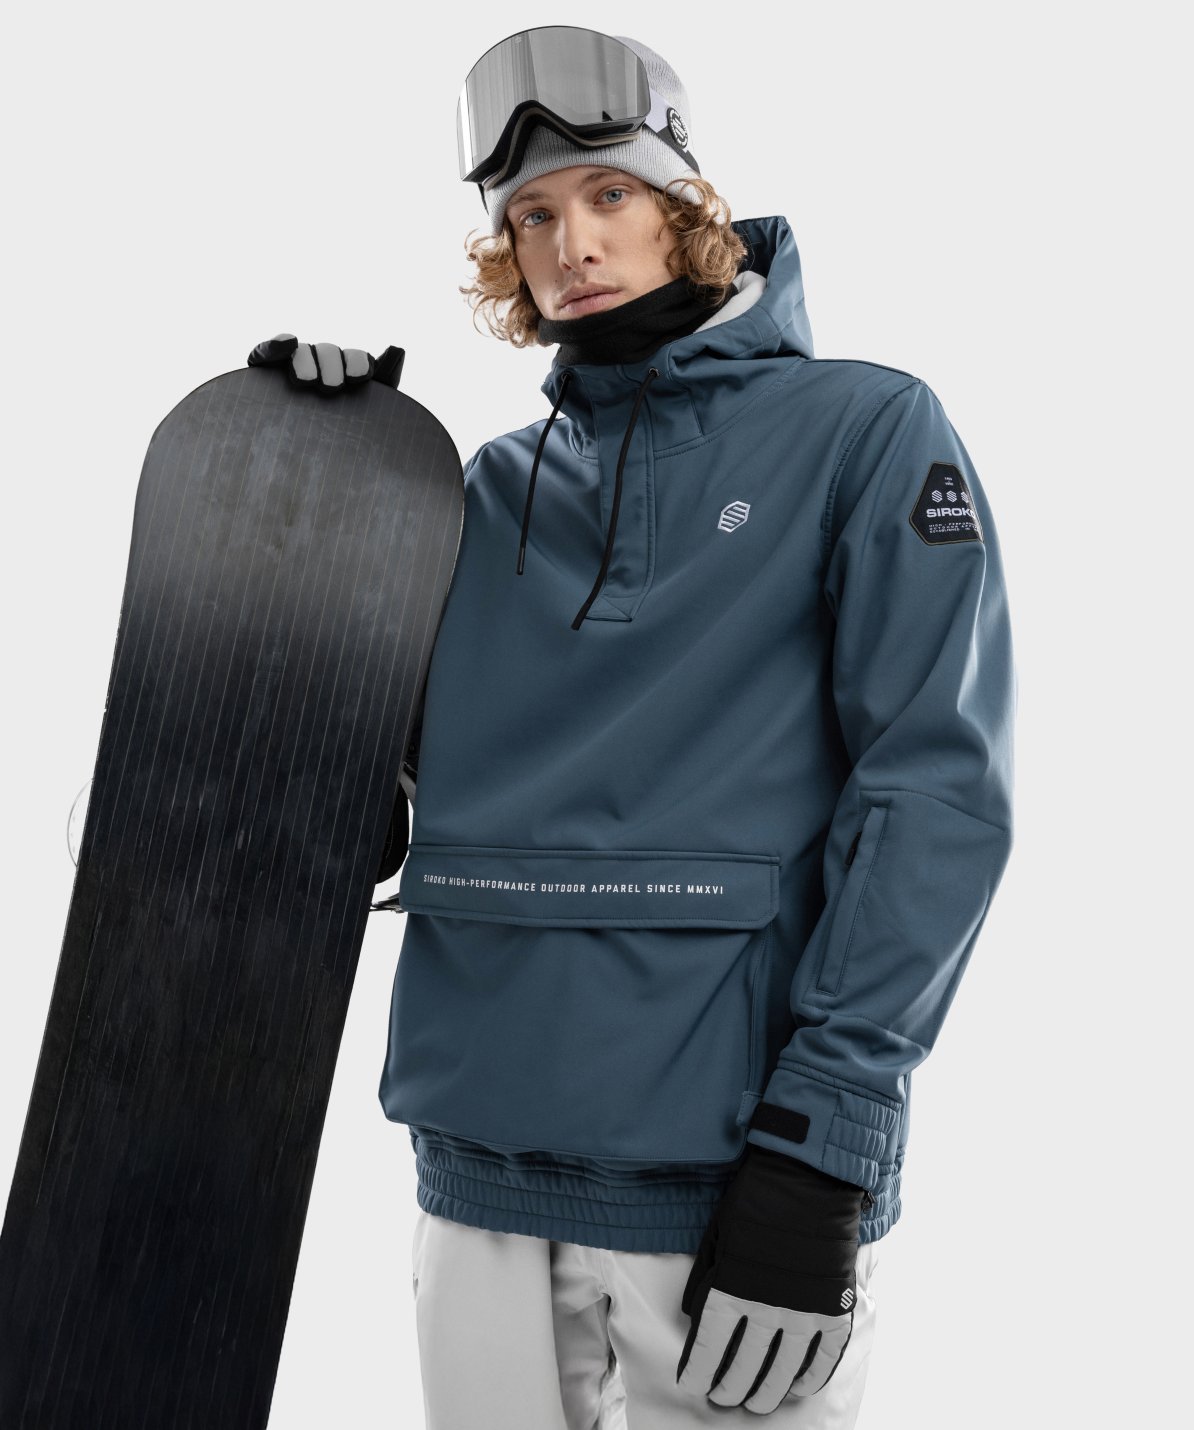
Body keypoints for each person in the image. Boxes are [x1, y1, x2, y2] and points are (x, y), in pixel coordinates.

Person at [251, 25, 1015, 1428]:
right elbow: (355, 802)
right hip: (475, 1173)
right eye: (532, 216)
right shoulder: (485, 490)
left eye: (608, 194)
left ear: (686, 204)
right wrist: (316, 480)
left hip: (728, 1190)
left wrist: (825, 1150)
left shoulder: (867, 432)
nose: (572, 244)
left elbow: (934, 801)